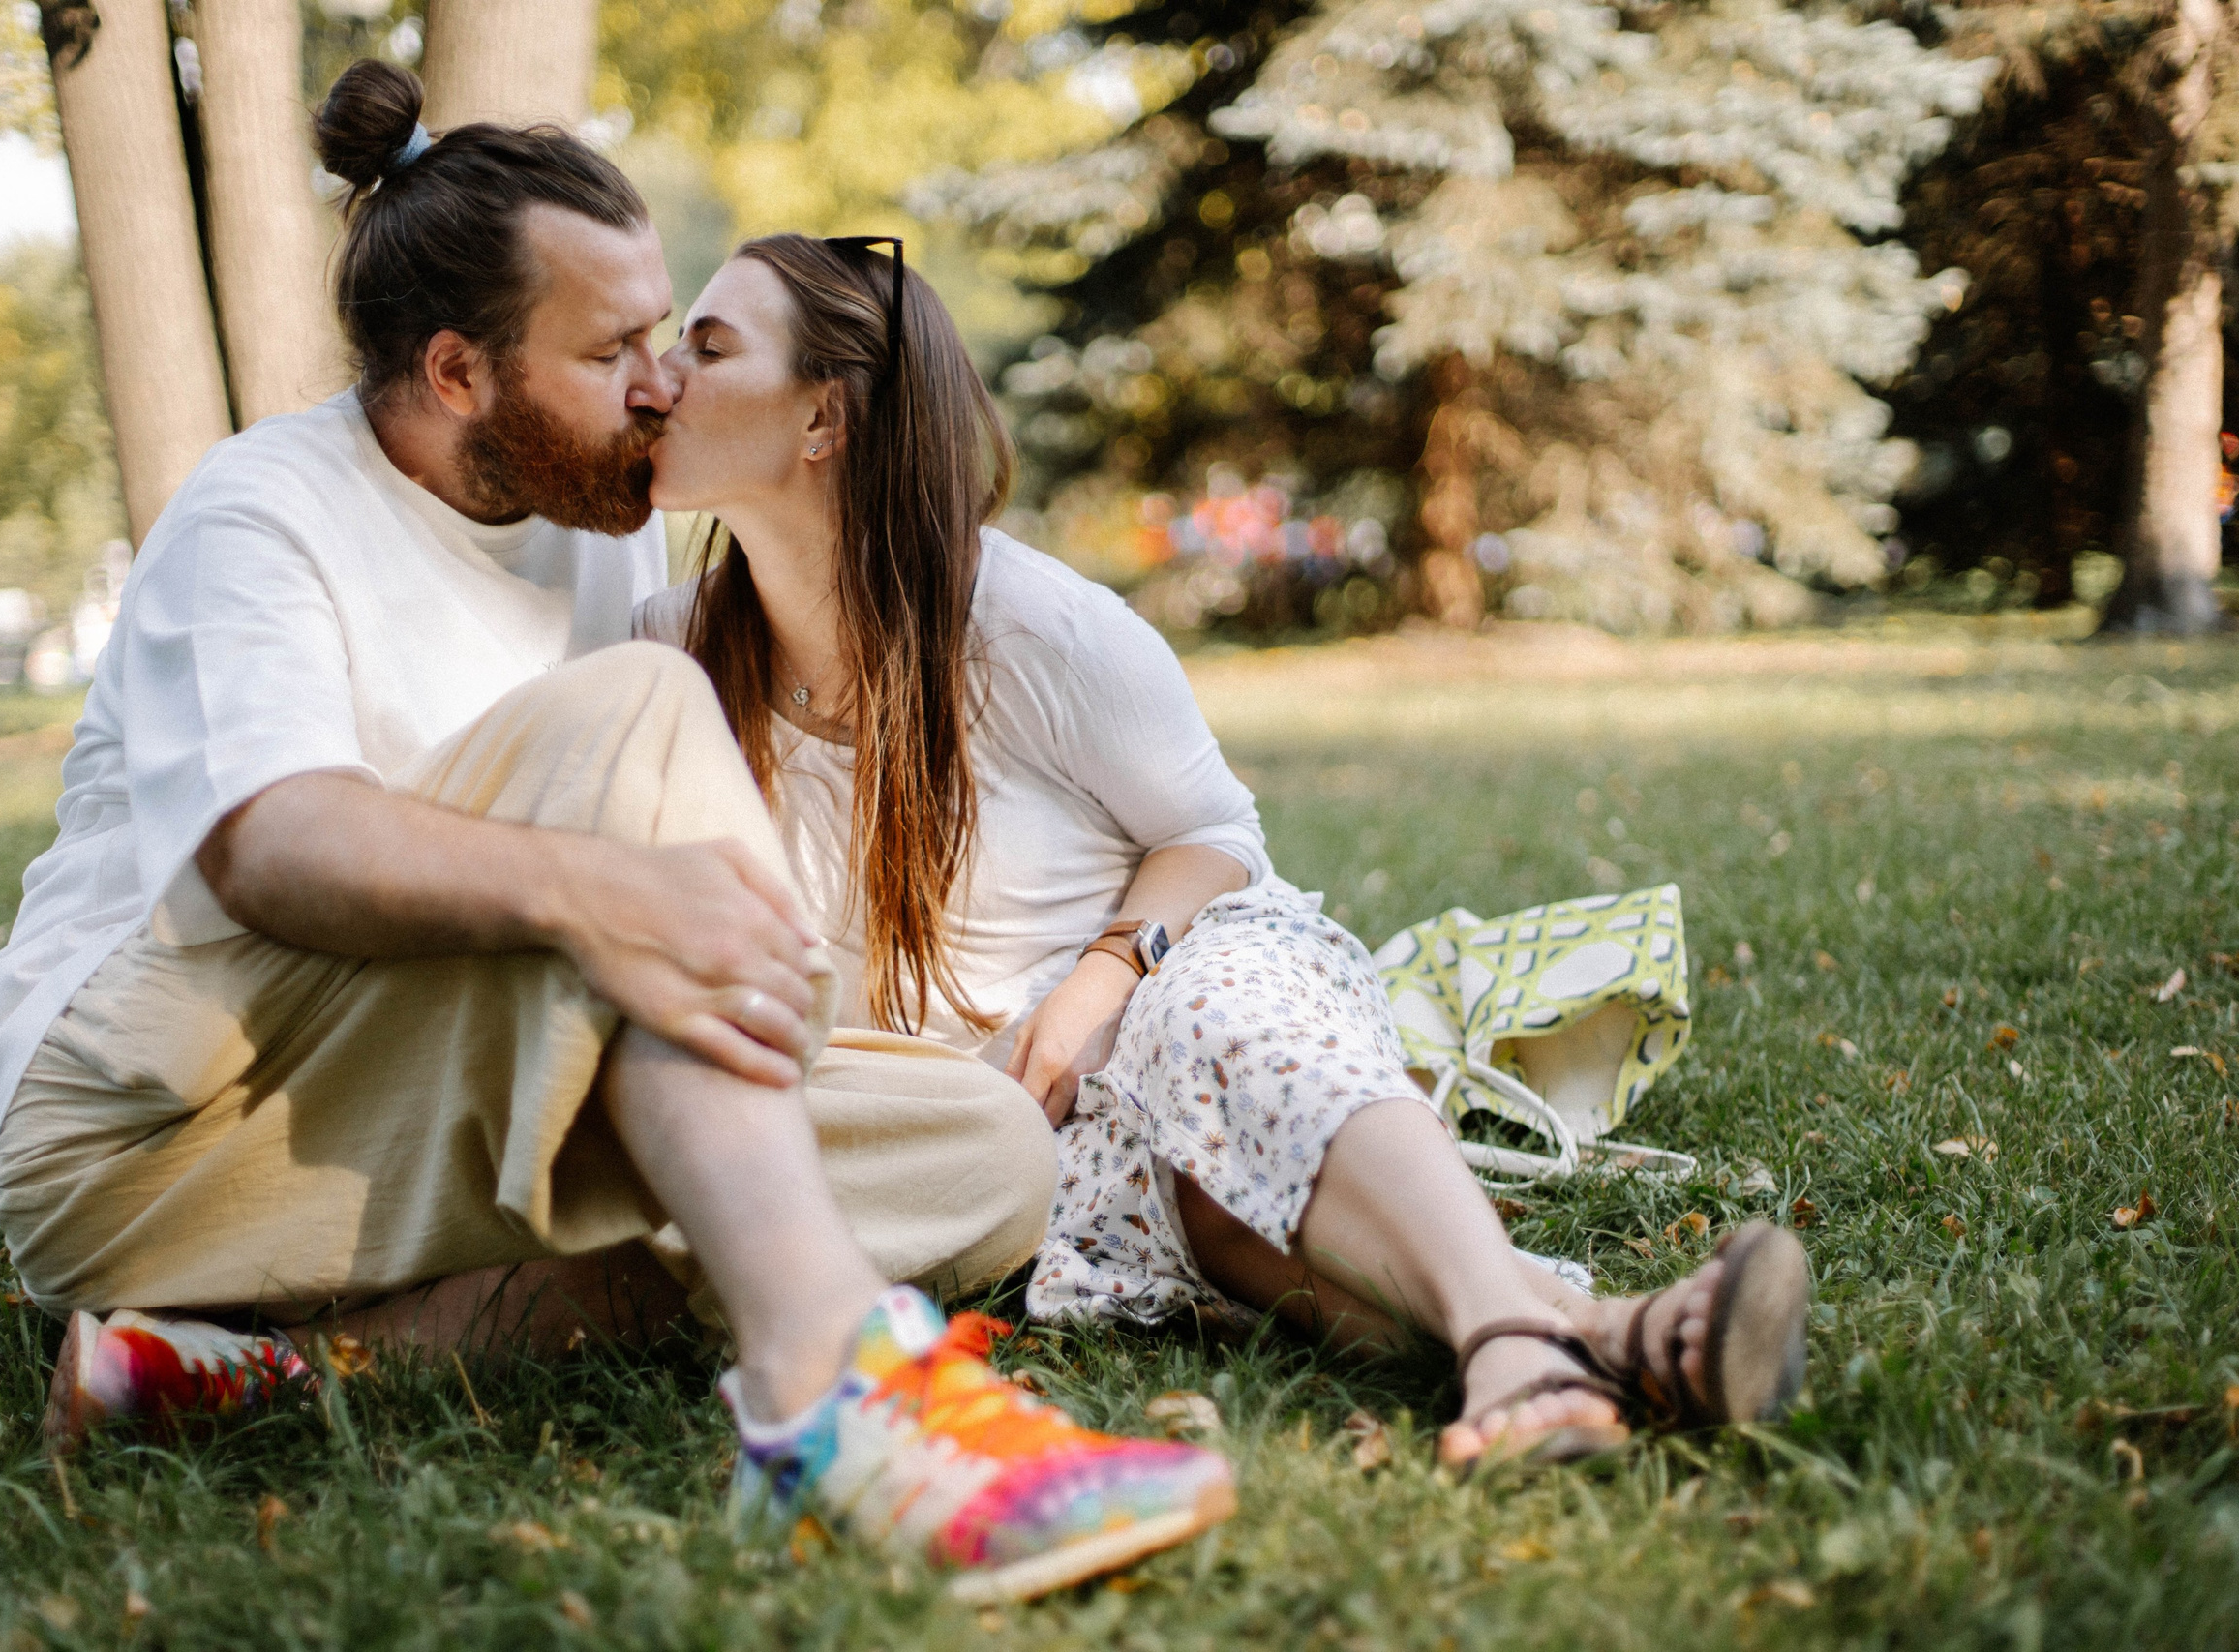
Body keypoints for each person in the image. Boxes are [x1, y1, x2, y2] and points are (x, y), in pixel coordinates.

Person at [0, 64, 1234, 1599]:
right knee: (638, 705)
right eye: (610, 349)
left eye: (666, 334)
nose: (660, 384)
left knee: (978, 1147)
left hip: (381, 1113)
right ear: (457, 371)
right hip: (148, 1129)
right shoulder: (262, 511)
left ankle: (267, 1371)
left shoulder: (586, 536)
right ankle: (832, 1391)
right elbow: (272, 847)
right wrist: (604, 897)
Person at [637, 234, 1813, 1474]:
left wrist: (1103, 978)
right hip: (1017, 1114)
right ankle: (1617, 1338)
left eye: (706, 346)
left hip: (1179, 970)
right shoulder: (674, 653)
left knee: (1212, 1044)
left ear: (823, 419)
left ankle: (1509, 1340)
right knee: (1205, 1204)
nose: (659, 377)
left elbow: (1215, 834)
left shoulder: (1031, 627)